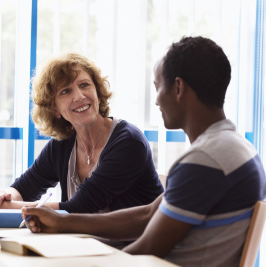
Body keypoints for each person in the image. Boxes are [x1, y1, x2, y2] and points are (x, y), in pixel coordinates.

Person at [21, 36, 266, 266]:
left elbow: (148, 246)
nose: (157, 100)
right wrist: (64, 221)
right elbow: (149, 214)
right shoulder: (230, 148)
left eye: (158, 86)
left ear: (178, 88)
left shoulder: (207, 160)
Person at [0, 53, 164, 216]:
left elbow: (79, 208)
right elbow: (24, 188)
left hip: (133, 253)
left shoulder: (128, 142)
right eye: (66, 91)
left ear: (97, 92)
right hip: (87, 249)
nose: (79, 96)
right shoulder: (63, 145)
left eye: (84, 85)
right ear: (55, 109)